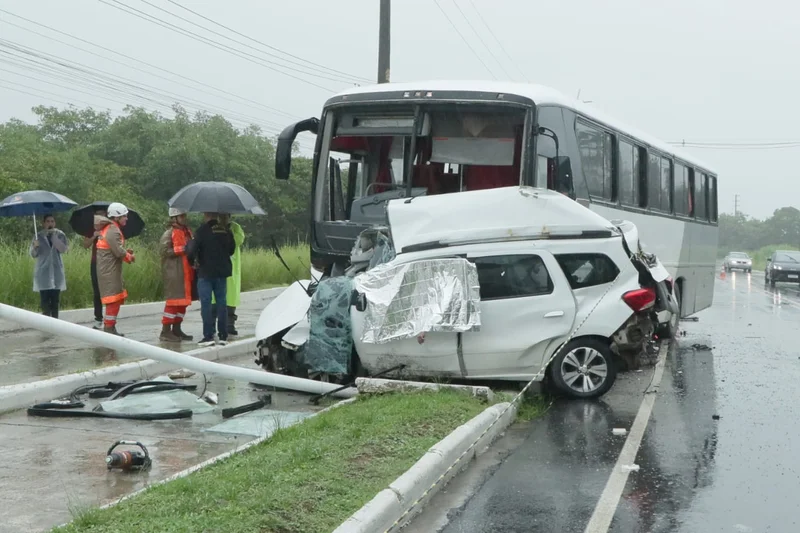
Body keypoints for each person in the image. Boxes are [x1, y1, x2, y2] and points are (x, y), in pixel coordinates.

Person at [187, 212, 234, 347]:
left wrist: (193, 262)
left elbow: (191, 250)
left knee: (206, 304)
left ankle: (208, 336)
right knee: (222, 303)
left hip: (206, 272)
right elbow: (231, 250)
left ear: (206, 215)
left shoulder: (201, 231)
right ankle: (223, 335)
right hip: (222, 272)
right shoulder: (226, 230)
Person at [95, 202, 135, 336]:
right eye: (124, 216)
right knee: (113, 301)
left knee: (115, 300)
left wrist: (125, 251)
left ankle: (110, 328)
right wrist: (129, 256)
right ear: (117, 217)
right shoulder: (113, 229)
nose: (126, 218)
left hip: (108, 270)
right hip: (109, 271)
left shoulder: (110, 228)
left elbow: (114, 248)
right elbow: (118, 252)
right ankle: (109, 330)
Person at [158, 207, 194, 342]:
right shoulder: (169, 234)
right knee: (173, 302)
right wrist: (183, 249)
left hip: (185, 271)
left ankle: (177, 329)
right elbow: (164, 251)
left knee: (182, 303)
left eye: (185, 215)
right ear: (174, 218)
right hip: (174, 272)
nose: (185, 218)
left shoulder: (186, 232)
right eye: (182, 216)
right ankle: (165, 331)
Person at [29, 214, 69, 318]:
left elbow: (63, 249)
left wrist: (54, 238)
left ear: (55, 223)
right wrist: (35, 246)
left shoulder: (60, 234)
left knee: (55, 300)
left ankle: (55, 323)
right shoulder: (38, 236)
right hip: (43, 273)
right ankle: (46, 323)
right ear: (43, 223)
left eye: (52, 221)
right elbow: (33, 254)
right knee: (45, 301)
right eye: (47, 221)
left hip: (56, 272)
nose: (50, 223)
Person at [211, 214, 244, 337]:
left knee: (230, 299)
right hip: (217, 268)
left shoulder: (235, 228)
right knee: (214, 299)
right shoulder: (213, 228)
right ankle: (212, 325)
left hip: (232, 269)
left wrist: (227, 232)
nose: (224, 218)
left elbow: (237, 241)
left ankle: (230, 325)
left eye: (226, 216)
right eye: (222, 216)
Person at [80, 206, 108, 329]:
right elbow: (85, 245)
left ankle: (110, 318)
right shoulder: (91, 229)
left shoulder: (110, 229)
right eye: (97, 215)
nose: (100, 217)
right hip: (95, 262)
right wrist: (94, 236)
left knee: (108, 290)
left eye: (102, 214)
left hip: (108, 263)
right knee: (97, 291)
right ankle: (98, 318)